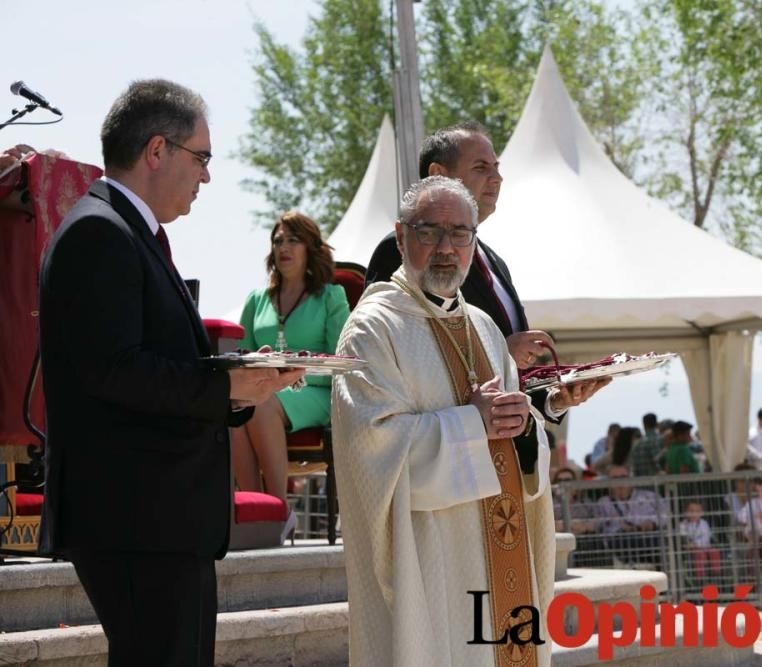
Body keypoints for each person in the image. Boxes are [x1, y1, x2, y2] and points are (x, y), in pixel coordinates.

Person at [37, 80, 303, 666]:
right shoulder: (97, 232)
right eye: (201, 157)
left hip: (159, 519)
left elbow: (149, 364)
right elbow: (113, 372)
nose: (206, 176)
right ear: (157, 151)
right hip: (134, 519)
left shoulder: (127, 232)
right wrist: (226, 385)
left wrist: (240, 381)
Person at [331, 176, 554, 666]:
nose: (446, 249)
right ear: (401, 235)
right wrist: (472, 425)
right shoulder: (373, 328)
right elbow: (372, 449)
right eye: (429, 232)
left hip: (500, 546)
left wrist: (526, 428)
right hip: (435, 559)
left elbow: (516, 435)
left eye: (460, 234)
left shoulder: (485, 327)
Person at [365, 122, 608, 418]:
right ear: (438, 175)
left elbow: (513, 382)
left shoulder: (494, 261)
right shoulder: (403, 251)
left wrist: (555, 399)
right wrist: (499, 353)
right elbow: (394, 359)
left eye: (497, 167)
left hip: (512, 455)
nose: (497, 178)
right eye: (481, 168)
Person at [233, 212, 349, 523]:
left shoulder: (331, 296)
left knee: (259, 403)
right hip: (265, 392)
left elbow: (340, 362)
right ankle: (253, 511)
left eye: (293, 240)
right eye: (278, 240)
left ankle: (278, 512)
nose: (283, 246)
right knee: (233, 406)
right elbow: (241, 355)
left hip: (317, 392)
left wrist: (286, 379)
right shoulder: (256, 300)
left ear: (310, 247)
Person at [594, 464, 669, 566]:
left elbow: (666, 514)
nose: (620, 482)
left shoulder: (649, 496)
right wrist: (622, 527)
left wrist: (652, 522)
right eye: (615, 478)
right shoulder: (603, 503)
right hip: (619, 544)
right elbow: (598, 525)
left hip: (649, 540)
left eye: (623, 477)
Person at [678, 501, 721, 582]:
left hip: (705, 546)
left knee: (715, 551)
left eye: (697, 511)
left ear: (702, 513)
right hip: (691, 549)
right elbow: (683, 538)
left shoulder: (704, 523)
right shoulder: (683, 525)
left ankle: (716, 573)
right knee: (700, 554)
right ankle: (700, 578)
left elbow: (706, 537)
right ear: (686, 512)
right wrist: (688, 544)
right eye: (691, 511)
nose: (694, 514)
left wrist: (696, 544)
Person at [630, 412, 664, 477]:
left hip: (641, 483)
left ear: (644, 424)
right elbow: (659, 462)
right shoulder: (660, 440)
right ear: (657, 424)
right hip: (657, 482)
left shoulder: (637, 444)